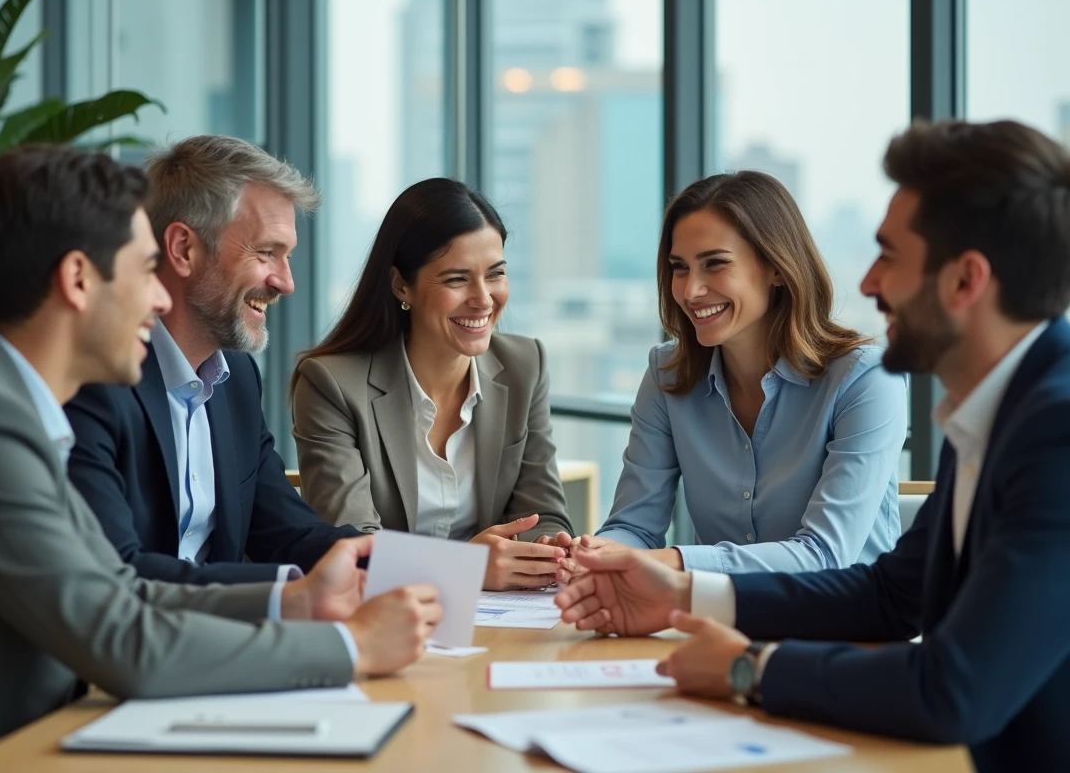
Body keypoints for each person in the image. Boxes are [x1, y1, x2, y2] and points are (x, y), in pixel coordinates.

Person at [0, 146, 441, 772]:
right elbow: (121, 637)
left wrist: (296, 604)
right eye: (145, 270)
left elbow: (120, 592)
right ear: (79, 279)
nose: (161, 300)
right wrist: (348, 647)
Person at [554, 119, 1070, 773]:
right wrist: (678, 596)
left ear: (965, 281)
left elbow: (952, 688)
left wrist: (749, 667)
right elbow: (889, 597)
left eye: (888, 256)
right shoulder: (993, 413)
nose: (869, 283)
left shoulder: (1055, 432)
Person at [65, 136, 363, 584]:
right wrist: (288, 594)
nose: (286, 282)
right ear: (184, 248)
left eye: (288, 256)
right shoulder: (94, 380)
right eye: (266, 253)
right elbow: (116, 574)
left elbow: (289, 535)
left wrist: (416, 566)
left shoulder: (237, 377)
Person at [584, 170, 906, 575]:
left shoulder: (866, 379)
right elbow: (634, 526)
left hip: (845, 628)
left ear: (776, 268)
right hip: (717, 622)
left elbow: (825, 555)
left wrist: (670, 562)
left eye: (714, 264)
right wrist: (591, 553)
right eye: (679, 268)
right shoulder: (667, 375)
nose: (689, 290)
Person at [291, 178, 573, 591]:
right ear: (401, 285)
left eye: (495, 275)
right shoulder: (331, 384)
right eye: (457, 279)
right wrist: (466, 567)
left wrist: (549, 548)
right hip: (381, 617)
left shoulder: (524, 365)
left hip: (497, 617)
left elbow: (543, 514)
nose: (483, 299)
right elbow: (351, 547)